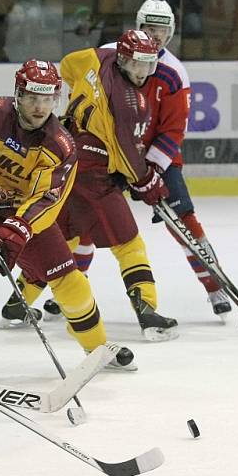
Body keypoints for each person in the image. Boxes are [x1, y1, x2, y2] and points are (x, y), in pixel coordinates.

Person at [0, 58, 134, 370]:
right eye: (32, 98)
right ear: (18, 93)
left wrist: (16, 230)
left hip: (20, 215)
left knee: (72, 283)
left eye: (47, 100)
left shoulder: (61, 146)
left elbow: (47, 199)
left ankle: (97, 349)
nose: (40, 108)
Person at [51, 0, 231, 321]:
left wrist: (148, 171)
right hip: (109, 157)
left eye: (163, 29)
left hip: (154, 163)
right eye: (150, 28)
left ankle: (215, 285)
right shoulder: (111, 53)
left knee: (183, 220)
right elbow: (78, 84)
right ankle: (71, 289)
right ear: (138, 26)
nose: (156, 36)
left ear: (171, 32)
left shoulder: (174, 73)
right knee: (87, 220)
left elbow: (174, 130)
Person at [35, 29, 178, 342]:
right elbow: (126, 152)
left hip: (65, 160)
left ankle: (17, 305)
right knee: (129, 244)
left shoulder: (95, 57)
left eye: (148, 66)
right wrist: (146, 182)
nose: (142, 73)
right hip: (93, 175)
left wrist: (80, 104)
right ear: (124, 59)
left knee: (64, 237)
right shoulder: (130, 102)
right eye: (137, 65)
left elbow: (68, 65)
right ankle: (148, 311)